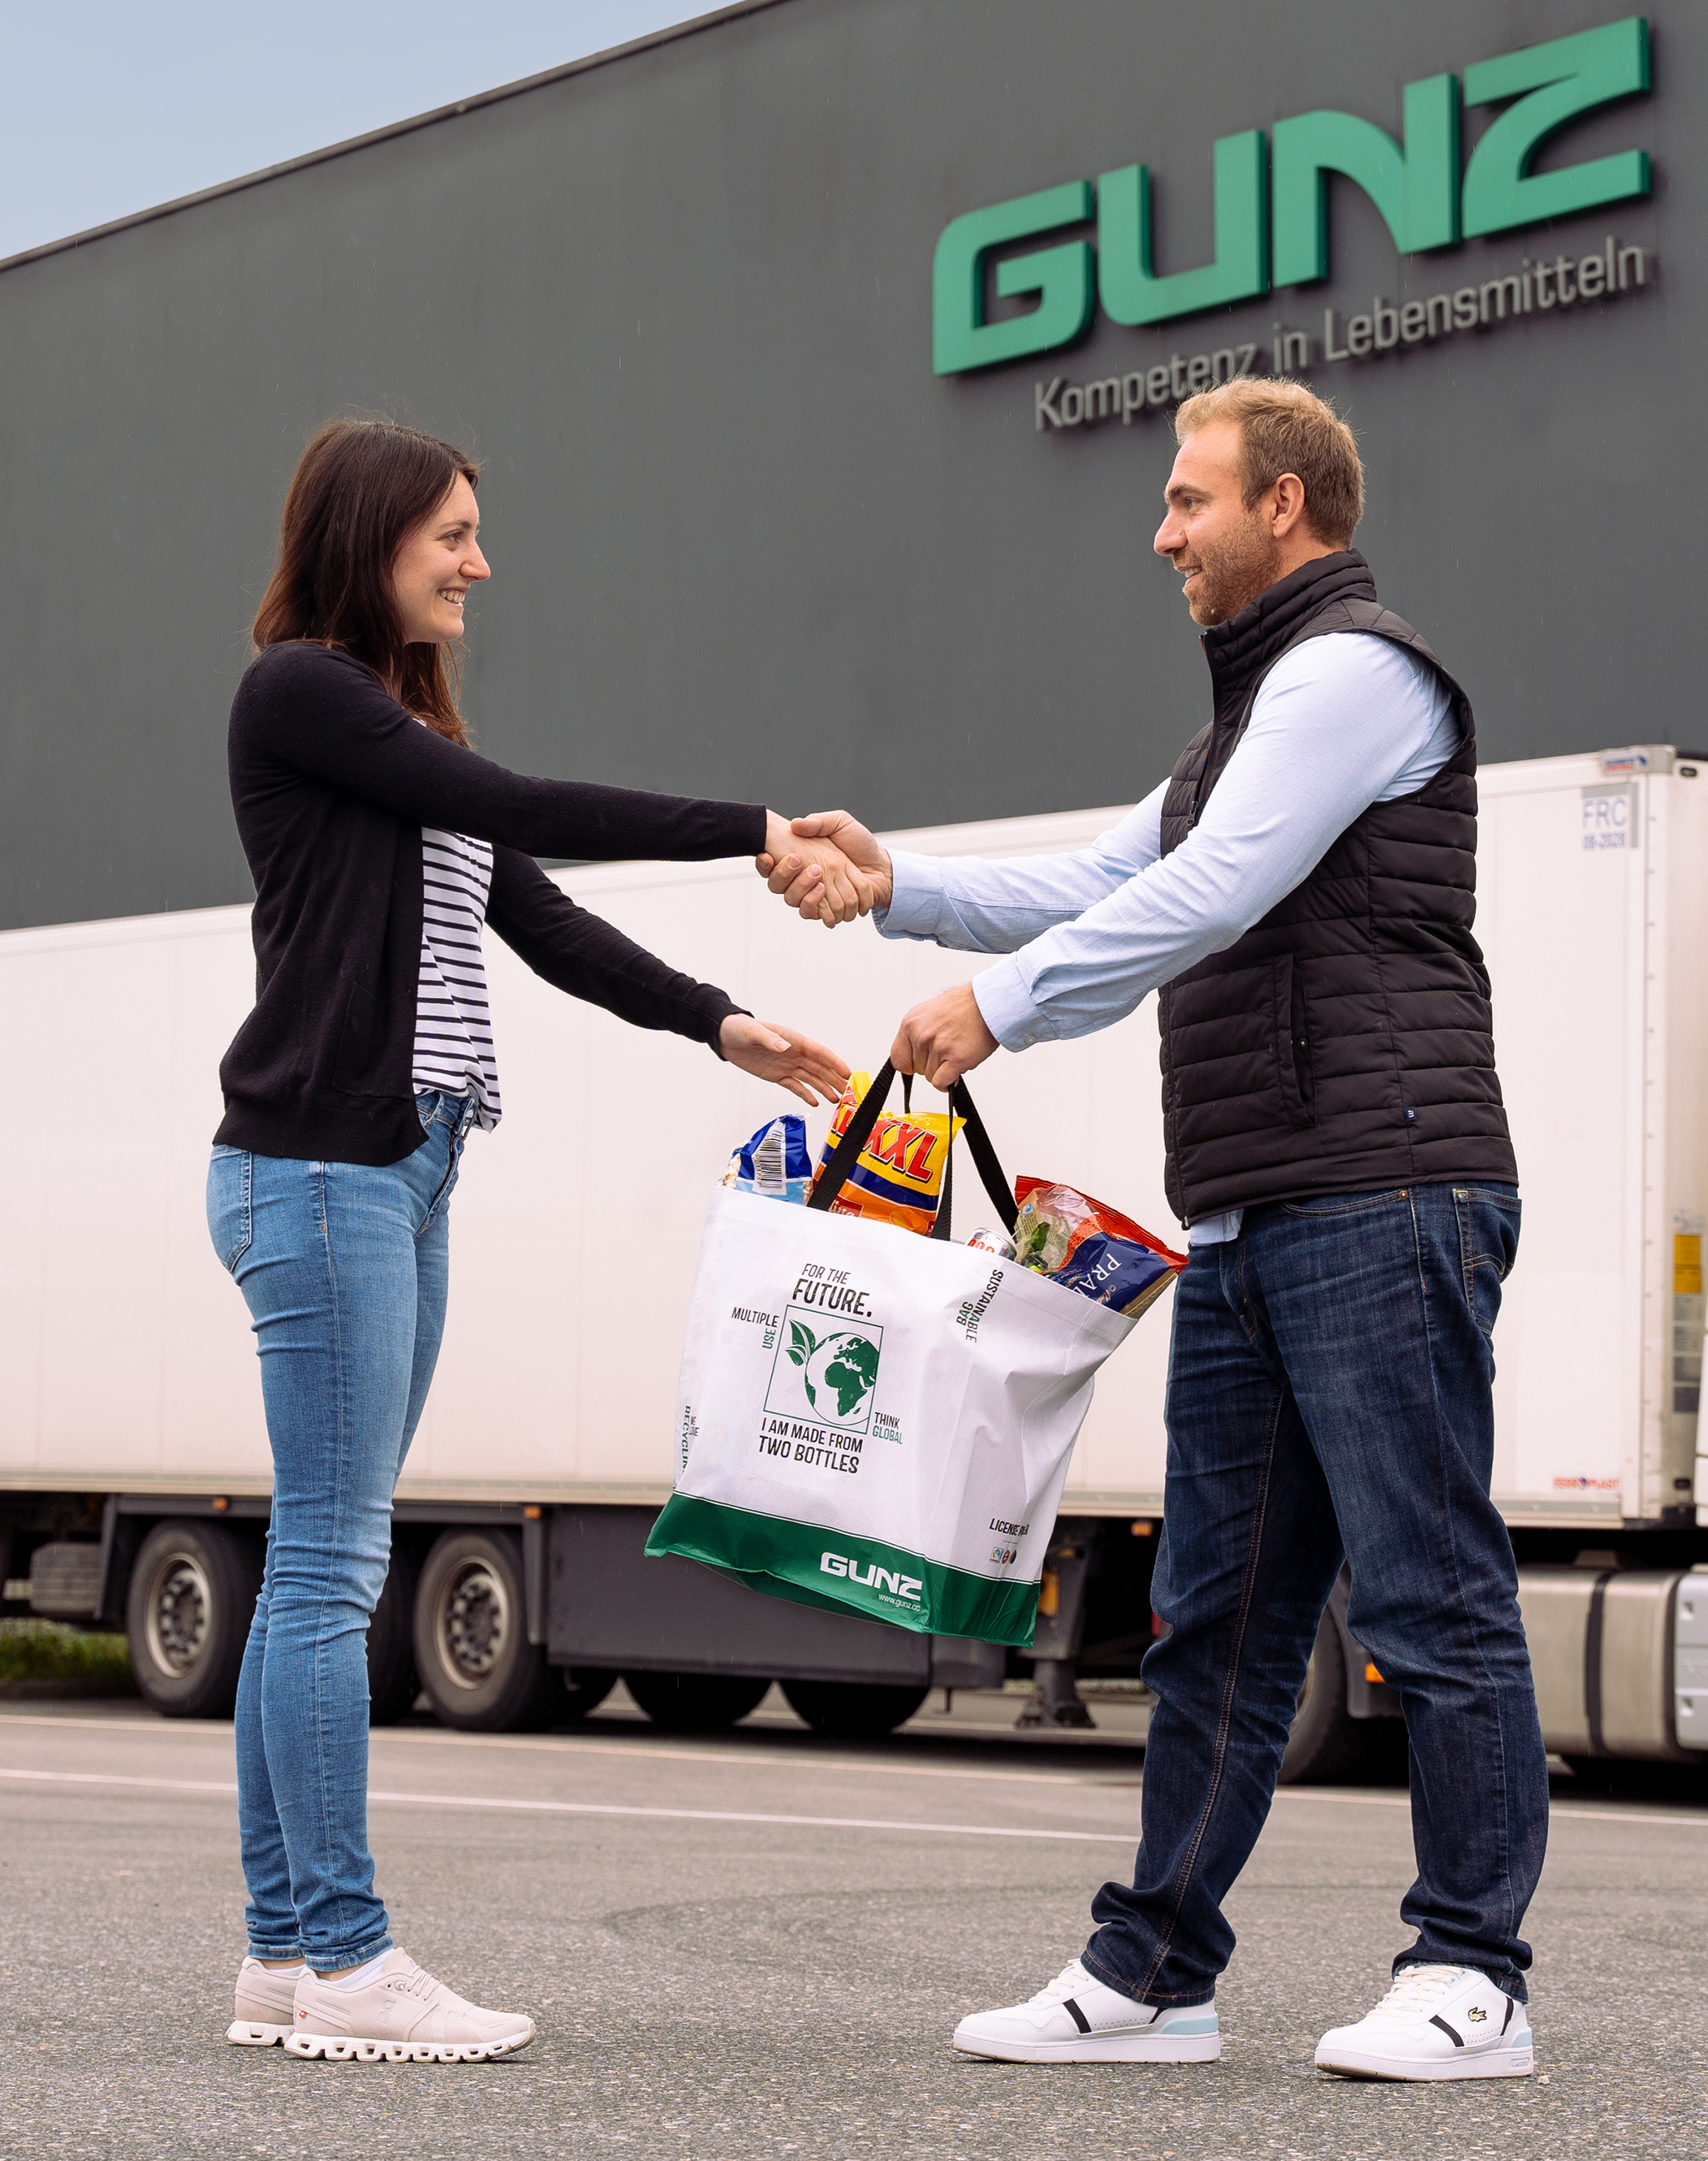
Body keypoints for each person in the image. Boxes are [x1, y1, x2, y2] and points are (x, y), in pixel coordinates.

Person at [760, 377, 1545, 2083]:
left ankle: (1472, 1971)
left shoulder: (1351, 675)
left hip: (1387, 1189)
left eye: (1186, 500)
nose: (1158, 533)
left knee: (1426, 1597)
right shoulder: (1242, 725)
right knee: (1213, 1618)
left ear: (1284, 504)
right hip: (1261, 1213)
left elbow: (1210, 892)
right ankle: (1149, 1973)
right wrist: (897, 885)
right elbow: (1107, 874)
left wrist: (999, 1010)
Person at [214, 417, 853, 2065]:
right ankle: (346, 1957)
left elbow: (539, 913)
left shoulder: (389, 729)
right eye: (452, 533)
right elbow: (517, 802)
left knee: (311, 1564)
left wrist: (722, 1022)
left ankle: (286, 1959)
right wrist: (754, 821)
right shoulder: (303, 693)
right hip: (322, 1167)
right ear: (370, 536)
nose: (479, 562)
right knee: (332, 1571)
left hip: (399, 1165)